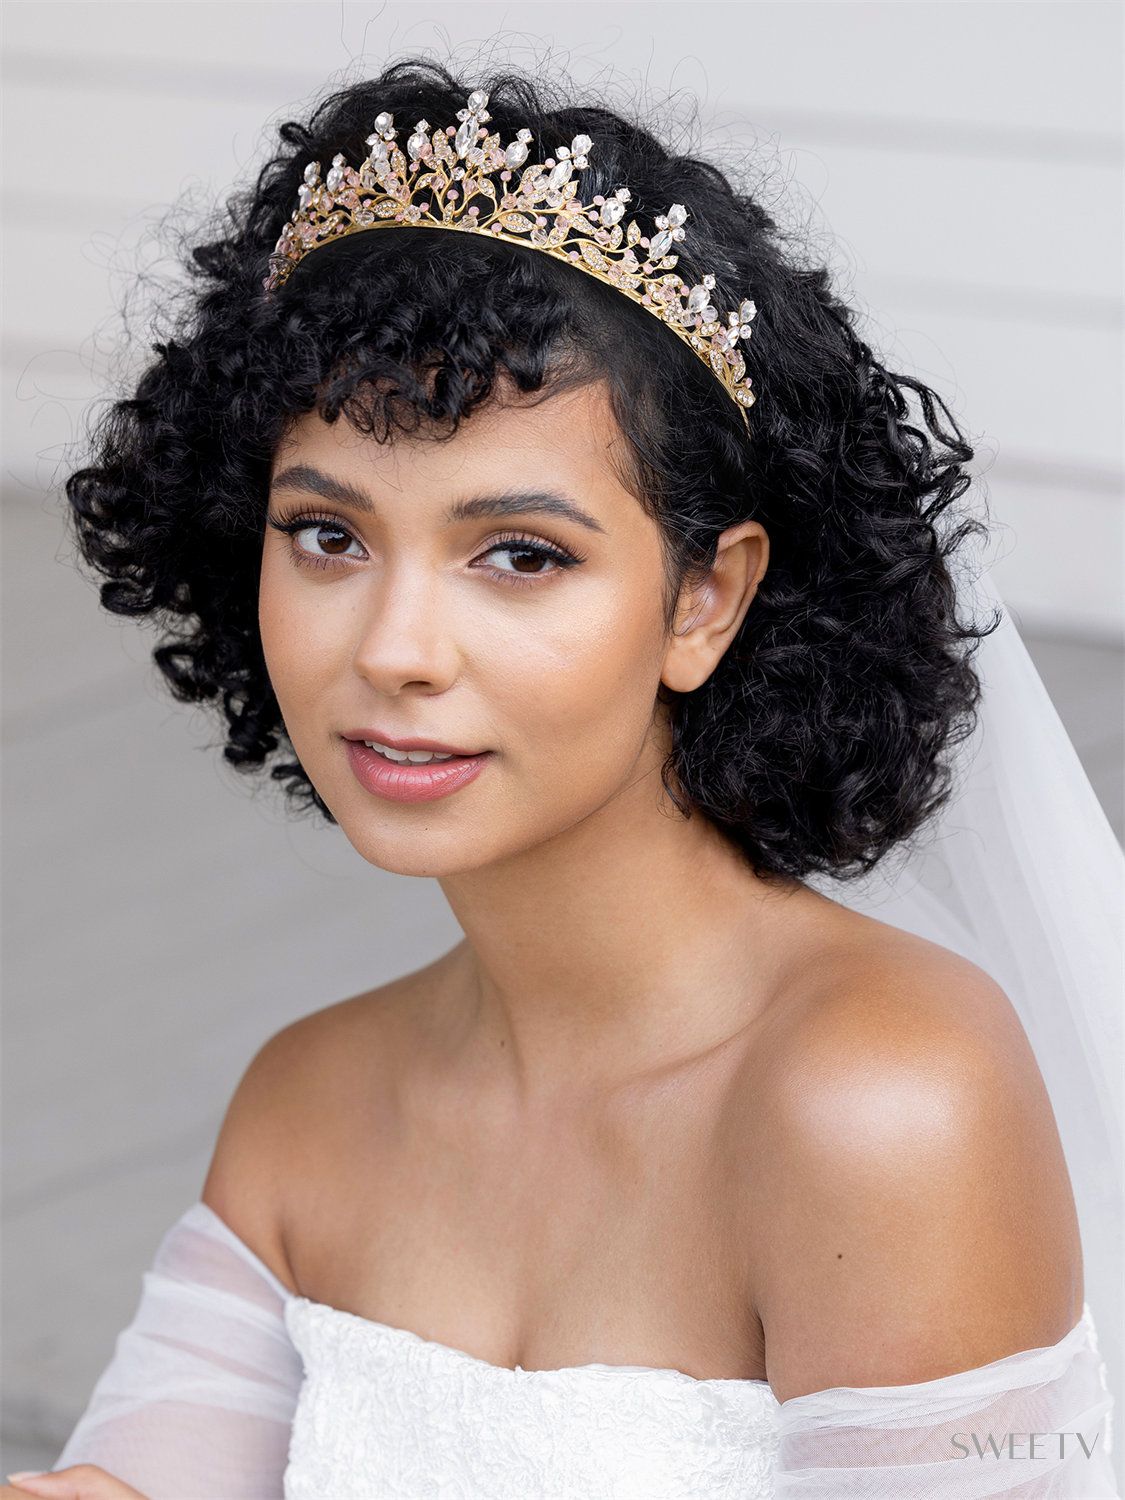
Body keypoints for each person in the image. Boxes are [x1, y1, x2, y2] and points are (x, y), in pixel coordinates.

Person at [11, 55, 1120, 1500]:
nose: (395, 649)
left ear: (706, 599)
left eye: (520, 556)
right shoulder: (308, 1108)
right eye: (329, 536)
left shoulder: (881, 1103)